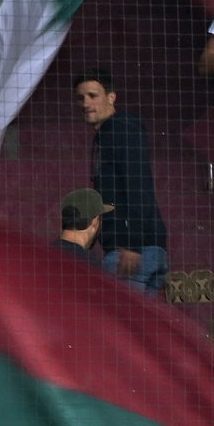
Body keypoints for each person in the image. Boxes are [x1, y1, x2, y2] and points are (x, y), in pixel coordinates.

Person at [71, 73, 166, 291]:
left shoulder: (119, 128)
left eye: (93, 95)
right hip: (146, 248)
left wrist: (132, 244)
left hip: (132, 250)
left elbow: (137, 183)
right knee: (141, 325)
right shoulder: (111, 132)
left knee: (117, 322)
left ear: (111, 97)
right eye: (80, 97)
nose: (85, 103)